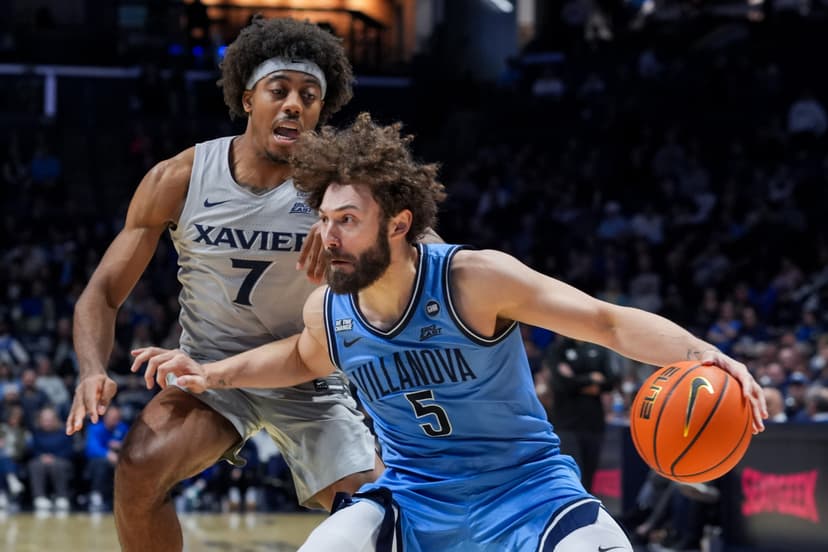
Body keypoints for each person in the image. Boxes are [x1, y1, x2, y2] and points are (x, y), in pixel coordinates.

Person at [133, 113, 767, 551]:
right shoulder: (327, 309)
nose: (328, 236)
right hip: (412, 502)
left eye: (347, 220)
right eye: (324, 219)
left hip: (525, 495)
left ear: (398, 224)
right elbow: (302, 357)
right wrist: (212, 373)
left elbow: (607, 321)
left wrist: (704, 353)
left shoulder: (474, 280)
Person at [66, 17, 384, 551]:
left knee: (381, 515)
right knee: (139, 468)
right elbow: (102, 293)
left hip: (304, 373)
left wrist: (353, 240)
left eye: (309, 96)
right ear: (247, 98)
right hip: (207, 372)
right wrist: (92, 369)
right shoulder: (180, 177)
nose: (294, 105)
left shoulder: (339, 189)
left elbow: (425, 253)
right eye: (279, 90)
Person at [542, 337, 618, 493]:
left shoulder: (599, 348)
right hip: (566, 423)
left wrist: (575, 380)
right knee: (571, 473)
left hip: (594, 422)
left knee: (590, 474)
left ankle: (587, 507)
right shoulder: (558, 349)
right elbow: (560, 383)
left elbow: (611, 380)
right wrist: (591, 378)